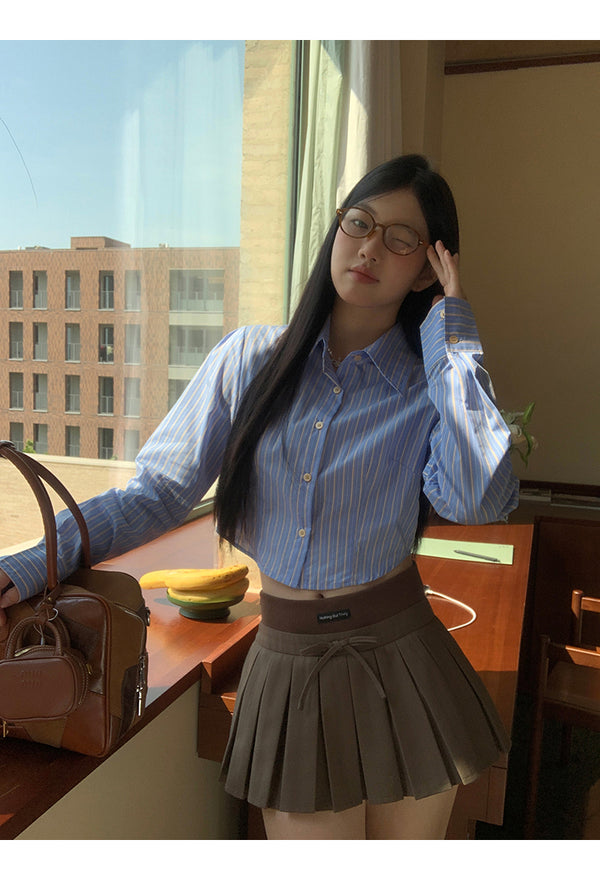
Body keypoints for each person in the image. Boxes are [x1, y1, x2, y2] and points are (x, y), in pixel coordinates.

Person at [0, 154, 519, 840]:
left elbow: (480, 496)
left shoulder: (430, 385)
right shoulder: (249, 361)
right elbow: (154, 493)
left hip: (405, 655)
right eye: (358, 223)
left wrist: (452, 335)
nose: (369, 247)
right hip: (291, 660)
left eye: (400, 239)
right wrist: (28, 565)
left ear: (427, 267)